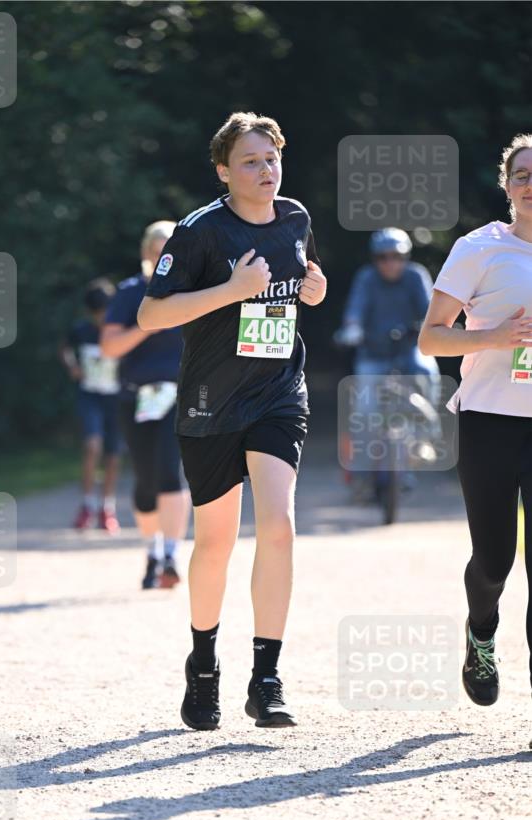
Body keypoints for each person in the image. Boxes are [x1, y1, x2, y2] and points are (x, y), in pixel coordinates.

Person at [138, 111, 326, 730]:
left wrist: (315, 290)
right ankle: (203, 666)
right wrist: (232, 289)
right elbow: (151, 316)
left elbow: (305, 280)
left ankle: (266, 679)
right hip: (211, 403)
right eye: (250, 161)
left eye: (272, 158)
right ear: (223, 171)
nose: (266, 170)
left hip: (278, 393)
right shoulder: (199, 232)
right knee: (215, 542)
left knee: (279, 527)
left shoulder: (296, 218)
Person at [419, 133, 532, 707]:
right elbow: (431, 337)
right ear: (507, 186)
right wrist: (495, 337)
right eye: (523, 175)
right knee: (494, 561)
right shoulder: (479, 248)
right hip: (489, 419)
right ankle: (481, 631)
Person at [101, 222, 190, 590]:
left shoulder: (193, 292)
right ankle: (152, 551)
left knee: (170, 472)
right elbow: (109, 347)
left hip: (179, 397)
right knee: (145, 479)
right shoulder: (130, 293)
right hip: (135, 397)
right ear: (146, 254)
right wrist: (147, 326)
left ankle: (171, 555)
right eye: (157, 251)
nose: (164, 258)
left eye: (170, 251)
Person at [337, 228, 440, 499]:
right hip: (372, 354)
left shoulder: (416, 275)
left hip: (410, 350)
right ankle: (361, 473)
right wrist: (352, 328)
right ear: (375, 259)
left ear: (406, 257)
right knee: (365, 410)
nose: (390, 262)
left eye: (397, 256)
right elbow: (355, 311)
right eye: (383, 257)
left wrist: (431, 327)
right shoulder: (366, 278)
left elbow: (430, 311)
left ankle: (426, 437)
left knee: (427, 370)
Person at [60, 278, 121, 533]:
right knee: (92, 446)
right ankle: (87, 504)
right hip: (90, 396)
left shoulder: (120, 329)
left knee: (113, 455)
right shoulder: (81, 330)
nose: (101, 318)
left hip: (115, 398)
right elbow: (64, 348)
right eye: (97, 313)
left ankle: (107, 508)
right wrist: (72, 366)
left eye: (104, 312)